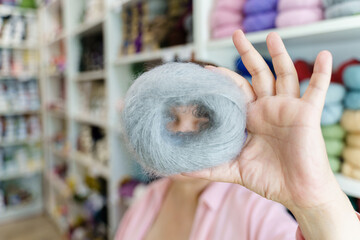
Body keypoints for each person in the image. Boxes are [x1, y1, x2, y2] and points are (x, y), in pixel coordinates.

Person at [115, 30, 360, 240]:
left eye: (202, 117)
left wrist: (315, 205)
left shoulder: (255, 212)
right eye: (171, 118)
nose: (183, 129)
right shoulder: (146, 201)